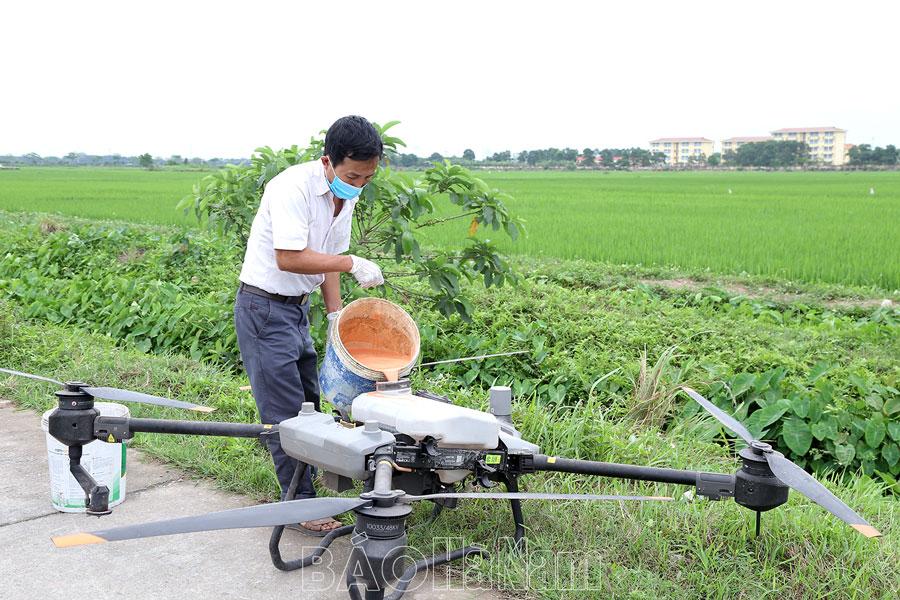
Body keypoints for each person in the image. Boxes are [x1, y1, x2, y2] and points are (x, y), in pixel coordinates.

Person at [234, 115, 385, 534]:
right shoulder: (291, 188)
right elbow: (290, 257)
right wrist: (352, 262)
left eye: (368, 178)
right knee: (284, 413)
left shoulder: (345, 196)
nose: (359, 185)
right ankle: (300, 505)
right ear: (327, 161)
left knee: (309, 405)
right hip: (264, 309)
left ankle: (311, 489)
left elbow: (328, 261)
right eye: (353, 176)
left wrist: (336, 318)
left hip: (296, 310)